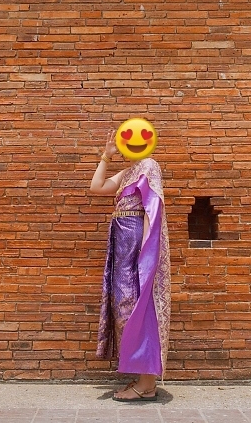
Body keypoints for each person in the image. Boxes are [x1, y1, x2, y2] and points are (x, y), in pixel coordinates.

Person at [91, 125, 171, 402]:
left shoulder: (149, 165)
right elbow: (97, 187)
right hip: (121, 243)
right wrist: (106, 155)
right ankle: (142, 379)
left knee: (139, 302)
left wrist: (147, 252)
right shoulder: (127, 173)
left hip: (136, 241)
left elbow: (152, 207)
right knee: (124, 304)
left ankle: (147, 384)